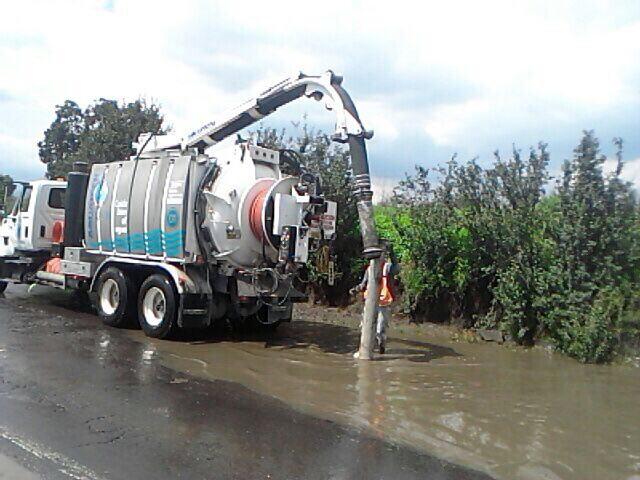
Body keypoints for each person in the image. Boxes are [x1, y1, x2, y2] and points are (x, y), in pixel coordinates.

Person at [351, 242, 399, 354]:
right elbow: (363, 284)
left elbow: (396, 267)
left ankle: (381, 347)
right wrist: (355, 289)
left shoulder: (387, 268)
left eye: (381, 255)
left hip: (384, 303)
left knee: (379, 331)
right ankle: (366, 350)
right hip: (370, 303)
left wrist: (392, 252)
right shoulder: (369, 269)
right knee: (365, 328)